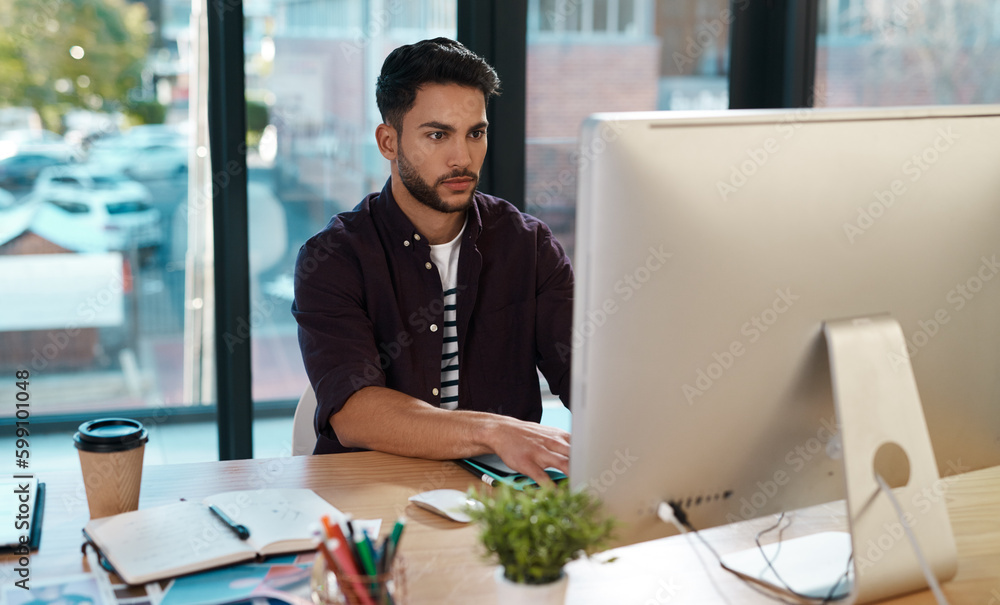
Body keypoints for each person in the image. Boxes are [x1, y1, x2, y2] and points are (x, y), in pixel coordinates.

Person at [292, 38, 573, 485]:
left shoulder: (528, 246)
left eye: (475, 133)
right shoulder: (332, 257)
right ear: (388, 141)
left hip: (498, 503)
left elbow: (585, 375)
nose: (462, 157)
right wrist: (494, 431)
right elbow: (355, 411)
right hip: (371, 494)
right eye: (437, 135)